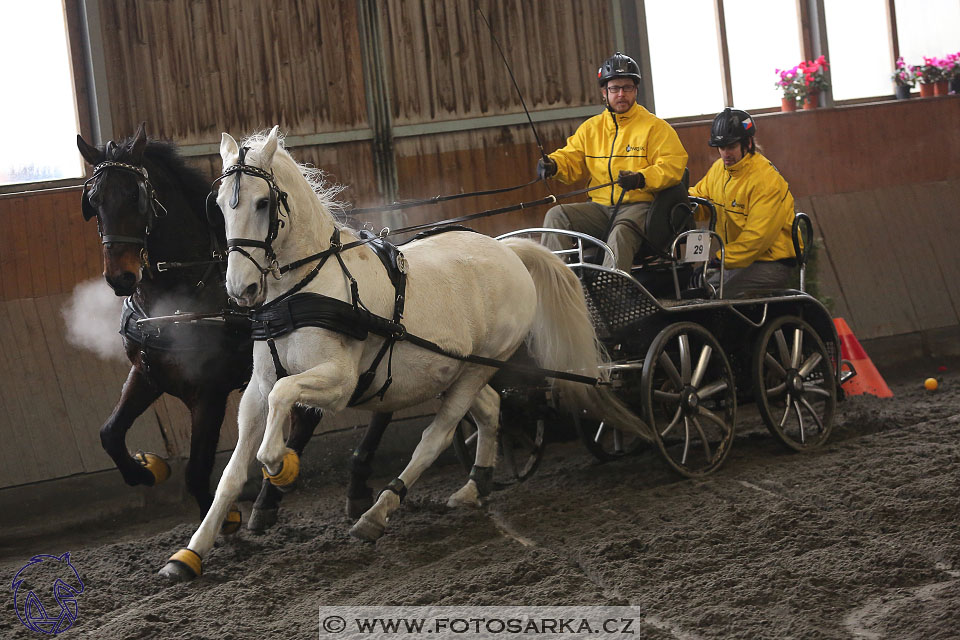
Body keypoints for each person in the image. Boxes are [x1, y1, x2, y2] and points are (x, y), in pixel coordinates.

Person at [537, 52, 688, 271]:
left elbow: (673, 165)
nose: (621, 94)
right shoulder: (591, 128)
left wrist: (641, 178)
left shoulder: (655, 127)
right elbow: (572, 157)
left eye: (627, 88)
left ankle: (610, 292)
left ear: (635, 90)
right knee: (556, 215)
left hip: (640, 207)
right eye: (614, 89)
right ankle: (555, 284)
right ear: (604, 93)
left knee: (621, 231)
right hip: (599, 208)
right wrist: (554, 165)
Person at [689, 108, 799, 297]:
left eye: (730, 146)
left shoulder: (766, 181)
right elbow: (701, 200)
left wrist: (720, 260)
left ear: (748, 143)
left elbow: (757, 238)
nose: (725, 154)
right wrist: (681, 206)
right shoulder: (719, 170)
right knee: (695, 288)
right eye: (721, 148)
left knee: (712, 293)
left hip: (771, 262)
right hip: (738, 261)